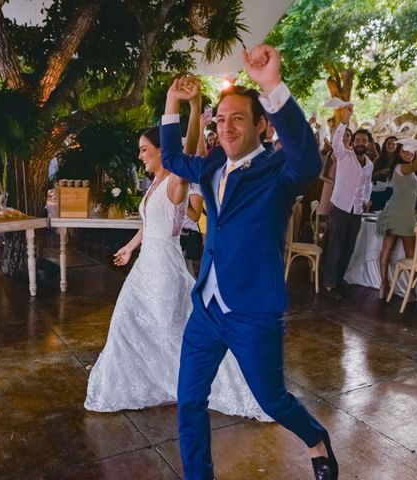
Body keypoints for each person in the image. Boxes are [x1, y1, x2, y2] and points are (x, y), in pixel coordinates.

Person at [161, 45, 337, 480]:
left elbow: (308, 160)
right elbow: (169, 159)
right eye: (220, 120)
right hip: (207, 307)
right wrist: (171, 103)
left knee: (272, 399)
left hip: (254, 311)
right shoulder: (213, 165)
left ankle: (317, 440)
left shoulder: (279, 172)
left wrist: (272, 86)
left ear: (262, 124)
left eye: (237, 118)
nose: (226, 127)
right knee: (188, 400)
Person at [84, 124, 272, 420]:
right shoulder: (155, 184)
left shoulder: (176, 182)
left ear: (162, 152)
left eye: (144, 149)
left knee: (173, 330)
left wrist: (195, 111)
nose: (140, 155)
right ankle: (140, 383)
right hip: (145, 266)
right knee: (125, 322)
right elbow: (148, 225)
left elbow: (186, 152)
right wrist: (130, 248)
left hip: (164, 269)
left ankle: (204, 383)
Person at [322, 104, 373, 299]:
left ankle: (340, 280)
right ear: (353, 142)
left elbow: (367, 185)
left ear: (368, 144)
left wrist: (366, 199)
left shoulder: (369, 164)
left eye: (364, 140)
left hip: (357, 211)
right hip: (340, 206)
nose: (360, 142)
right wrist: (345, 119)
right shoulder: (344, 156)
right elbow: (336, 141)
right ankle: (329, 283)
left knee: (349, 248)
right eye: (358, 139)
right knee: (335, 245)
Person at [376, 140, 417, 299]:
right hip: (398, 213)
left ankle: (405, 287)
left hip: (404, 213)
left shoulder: (405, 170)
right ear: (399, 153)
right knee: (394, 250)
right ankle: (387, 284)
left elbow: (405, 187)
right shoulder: (401, 167)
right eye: (405, 151)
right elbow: (414, 167)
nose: (408, 154)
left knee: (407, 252)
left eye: (411, 152)